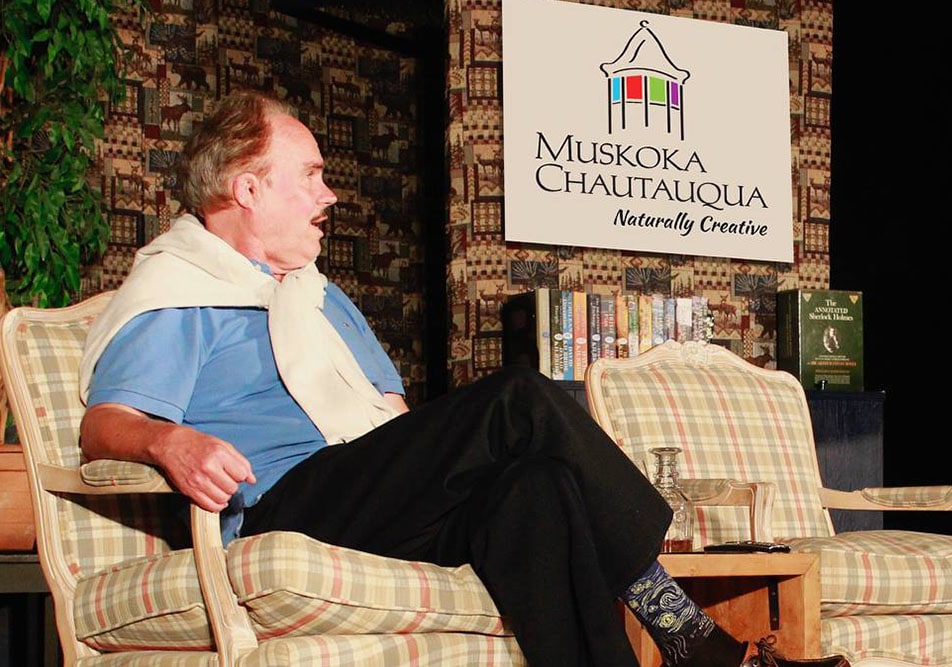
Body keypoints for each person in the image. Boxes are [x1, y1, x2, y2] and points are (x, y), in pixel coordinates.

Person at [78, 90, 849, 667]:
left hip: (370, 494)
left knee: (537, 486)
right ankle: (690, 634)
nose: (329, 195)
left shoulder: (319, 298)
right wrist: (169, 441)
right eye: (309, 175)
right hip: (282, 499)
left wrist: (439, 462)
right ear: (247, 188)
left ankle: (680, 650)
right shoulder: (180, 291)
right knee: (517, 397)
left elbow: (392, 419)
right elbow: (103, 424)